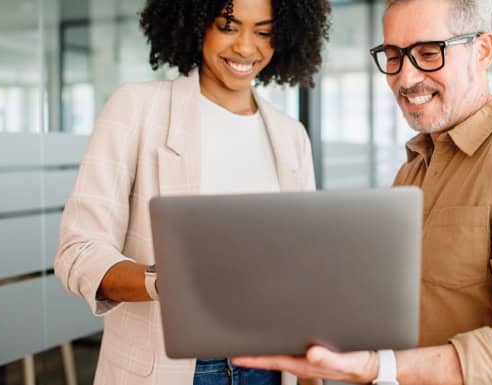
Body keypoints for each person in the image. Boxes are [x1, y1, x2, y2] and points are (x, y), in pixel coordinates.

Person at [232, 0, 492, 384]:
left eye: (429, 53)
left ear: (483, 51)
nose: (405, 79)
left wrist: (380, 368)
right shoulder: (413, 169)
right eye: (393, 56)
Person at [53, 0, 330, 384]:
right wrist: (163, 280)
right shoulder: (137, 108)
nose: (247, 48)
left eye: (264, 32)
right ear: (196, 25)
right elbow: (79, 253)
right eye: (228, 26)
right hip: (174, 368)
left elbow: (301, 270)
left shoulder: (290, 135)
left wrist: (310, 375)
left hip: (269, 365)